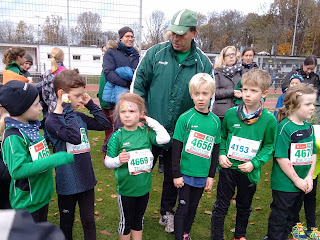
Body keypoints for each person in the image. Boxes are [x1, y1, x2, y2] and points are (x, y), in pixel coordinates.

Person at [132, 9, 213, 233]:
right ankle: (134, 210)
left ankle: (167, 212)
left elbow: (208, 97)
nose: (175, 38)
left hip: (180, 133)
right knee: (139, 168)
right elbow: (138, 86)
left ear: (194, 33)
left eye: (181, 34)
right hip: (149, 127)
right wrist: (139, 116)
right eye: (173, 33)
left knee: (173, 174)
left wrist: (196, 128)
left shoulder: (202, 63)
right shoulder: (155, 54)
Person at [211, 69, 278, 240]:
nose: (247, 94)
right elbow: (223, 137)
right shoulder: (231, 114)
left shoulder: (269, 120)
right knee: (221, 205)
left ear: (264, 93)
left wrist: (254, 163)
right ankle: (216, 236)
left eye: (253, 91)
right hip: (228, 168)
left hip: (248, 171)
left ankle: (240, 235)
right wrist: (222, 154)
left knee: (244, 205)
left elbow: (269, 146)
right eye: (245, 89)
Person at [45, 69, 110, 240]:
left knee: (88, 221)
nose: (81, 99)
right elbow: (74, 137)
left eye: (83, 95)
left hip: (86, 180)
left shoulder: (78, 116)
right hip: (67, 183)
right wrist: (66, 108)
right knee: (66, 223)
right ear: (63, 95)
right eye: (78, 95)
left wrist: (90, 105)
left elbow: (103, 124)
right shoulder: (51, 121)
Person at [0, 80, 74, 222]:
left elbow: (37, 157)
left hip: (41, 197)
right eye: (35, 105)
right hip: (27, 204)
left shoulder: (31, 128)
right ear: (21, 108)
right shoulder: (14, 137)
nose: (40, 108)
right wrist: (54, 159)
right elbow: (18, 171)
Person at [104, 93, 170, 240]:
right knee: (126, 223)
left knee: (138, 221)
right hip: (126, 190)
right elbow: (107, 161)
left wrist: (148, 121)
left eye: (132, 111)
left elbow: (165, 138)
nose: (127, 115)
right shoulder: (117, 136)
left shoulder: (146, 132)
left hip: (144, 188)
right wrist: (119, 160)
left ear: (140, 114)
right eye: (123, 111)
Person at [172, 73, 220, 240]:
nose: (201, 98)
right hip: (184, 174)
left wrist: (211, 176)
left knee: (193, 208)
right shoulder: (185, 118)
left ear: (212, 94)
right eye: (196, 94)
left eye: (205, 93)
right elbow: (176, 149)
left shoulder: (215, 121)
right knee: (183, 207)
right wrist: (176, 174)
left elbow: (215, 150)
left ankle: (186, 234)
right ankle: (179, 237)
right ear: (191, 95)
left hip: (201, 175)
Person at [266, 83, 317, 240]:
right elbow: (281, 157)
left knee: (291, 220)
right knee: (279, 220)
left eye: (313, 103)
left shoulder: (309, 128)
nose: (312, 107)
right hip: (285, 185)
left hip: (302, 184)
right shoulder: (285, 128)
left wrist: (309, 177)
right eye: (308, 104)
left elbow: (313, 154)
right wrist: (296, 180)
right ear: (294, 105)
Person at [102, 27, 140, 157]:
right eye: (127, 36)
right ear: (121, 38)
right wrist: (126, 83)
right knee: (118, 126)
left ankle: (124, 151)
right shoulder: (111, 53)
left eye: (132, 36)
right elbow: (108, 73)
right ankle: (107, 150)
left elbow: (137, 72)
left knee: (130, 124)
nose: (130, 39)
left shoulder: (135, 54)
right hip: (117, 95)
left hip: (132, 94)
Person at [281, 56, 320, 124]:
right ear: (303, 64)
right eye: (308, 68)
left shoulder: (315, 78)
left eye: (312, 69)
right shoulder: (294, 74)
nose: (309, 71)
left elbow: (316, 91)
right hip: (293, 105)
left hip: (305, 108)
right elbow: (285, 87)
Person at [212, 46, 244, 121]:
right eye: (228, 55)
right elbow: (215, 92)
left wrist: (241, 91)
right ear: (223, 57)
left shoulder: (242, 71)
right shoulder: (217, 72)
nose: (231, 57)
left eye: (233, 54)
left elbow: (249, 86)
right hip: (221, 112)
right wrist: (232, 92)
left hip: (239, 110)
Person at [42, 47, 67, 113]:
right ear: (62, 57)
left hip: (52, 108)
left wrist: (51, 102)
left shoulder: (47, 73)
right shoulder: (68, 73)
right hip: (66, 106)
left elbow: (45, 94)